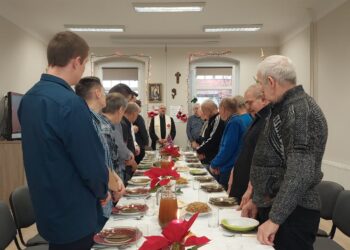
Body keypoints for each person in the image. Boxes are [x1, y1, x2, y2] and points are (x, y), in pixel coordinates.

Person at [18, 31, 108, 250]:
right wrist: (102, 190)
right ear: (76, 61)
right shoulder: (71, 103)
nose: (83, 68)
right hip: (73, 210)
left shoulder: (27, 99)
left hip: (46, 205)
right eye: (85, 63)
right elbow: (89, 161)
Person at [242, 55, 328, 249]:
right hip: (278, 208)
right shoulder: (282, 108)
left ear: (271, 82)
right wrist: (258, 200)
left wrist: (275, 219)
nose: (260, 90)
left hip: (293, 215)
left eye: (260, 83)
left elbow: (300, 173)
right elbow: (272, 159)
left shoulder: (300, 112)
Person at [75, 77, 126, 215]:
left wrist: (116, 180)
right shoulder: (86, 120)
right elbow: (93, 162)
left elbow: (105, 158)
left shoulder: (96, 120)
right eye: (104, 92)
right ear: (97, 93)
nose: (105, 96)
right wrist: (113, 187)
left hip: (105, 187)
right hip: (97, 195)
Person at [227, 84, 271, 203]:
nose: (247, 107)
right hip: (241, 179)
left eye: (250, 103)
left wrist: (251, 190)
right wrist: (233, 171)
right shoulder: (256, 118)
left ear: (264, 100)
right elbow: (245, 149)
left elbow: (262, 159)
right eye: (246, 103)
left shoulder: (268, 121)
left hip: (249, 184)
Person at [209, 98, 247, 190]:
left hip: (229, 168)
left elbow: (227, 149)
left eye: (219, 109)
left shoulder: (234, 122)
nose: (219, 112)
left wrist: (214, 164)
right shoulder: (234, 120)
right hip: (226, 166)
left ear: (224, 109)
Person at [196, 100, 225, 165]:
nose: (203, 113)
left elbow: (213, 139)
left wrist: (199, 150)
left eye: (204, 111)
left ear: (208, 111)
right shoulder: (212, 119)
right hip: (208, 156)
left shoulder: (218, 118)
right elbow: (206, 138)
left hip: (214, 158)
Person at [121, 102, 141, 183]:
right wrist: (132, 162)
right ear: (133, 114)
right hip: (126, 164)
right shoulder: (123, 124)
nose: (137, 117)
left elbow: (130, 140)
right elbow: (122, 146)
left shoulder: (126, 123)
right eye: (137, 115)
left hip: (128, 162)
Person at [134, 99, 149, 164]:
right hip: (139, 146)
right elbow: (143, 132)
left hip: (135, 146)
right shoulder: (138, 117)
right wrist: (146, 143)